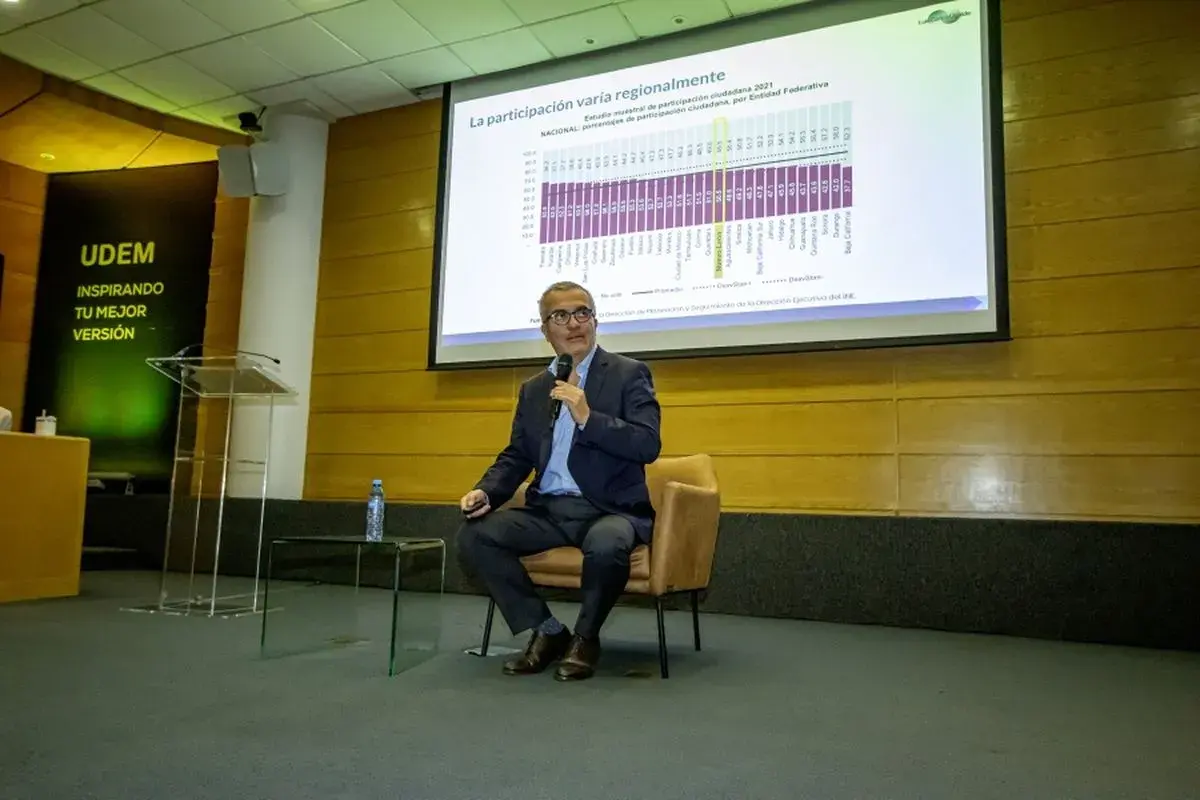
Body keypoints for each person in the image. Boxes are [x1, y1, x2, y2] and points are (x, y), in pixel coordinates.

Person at [456, 281, 662, 681]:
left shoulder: (628, 374)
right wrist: (486, 491)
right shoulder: (535, 389)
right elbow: (517, 455)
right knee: (475, 535)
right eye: (560, 316)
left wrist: (589, 418)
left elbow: (647, 443)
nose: (574, 323)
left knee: (608, 543)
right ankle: (548, 631)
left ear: (595, 321)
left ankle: (585, 638)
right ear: (545, 329)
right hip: (548, 510)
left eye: (582, 312)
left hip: (608, 510)